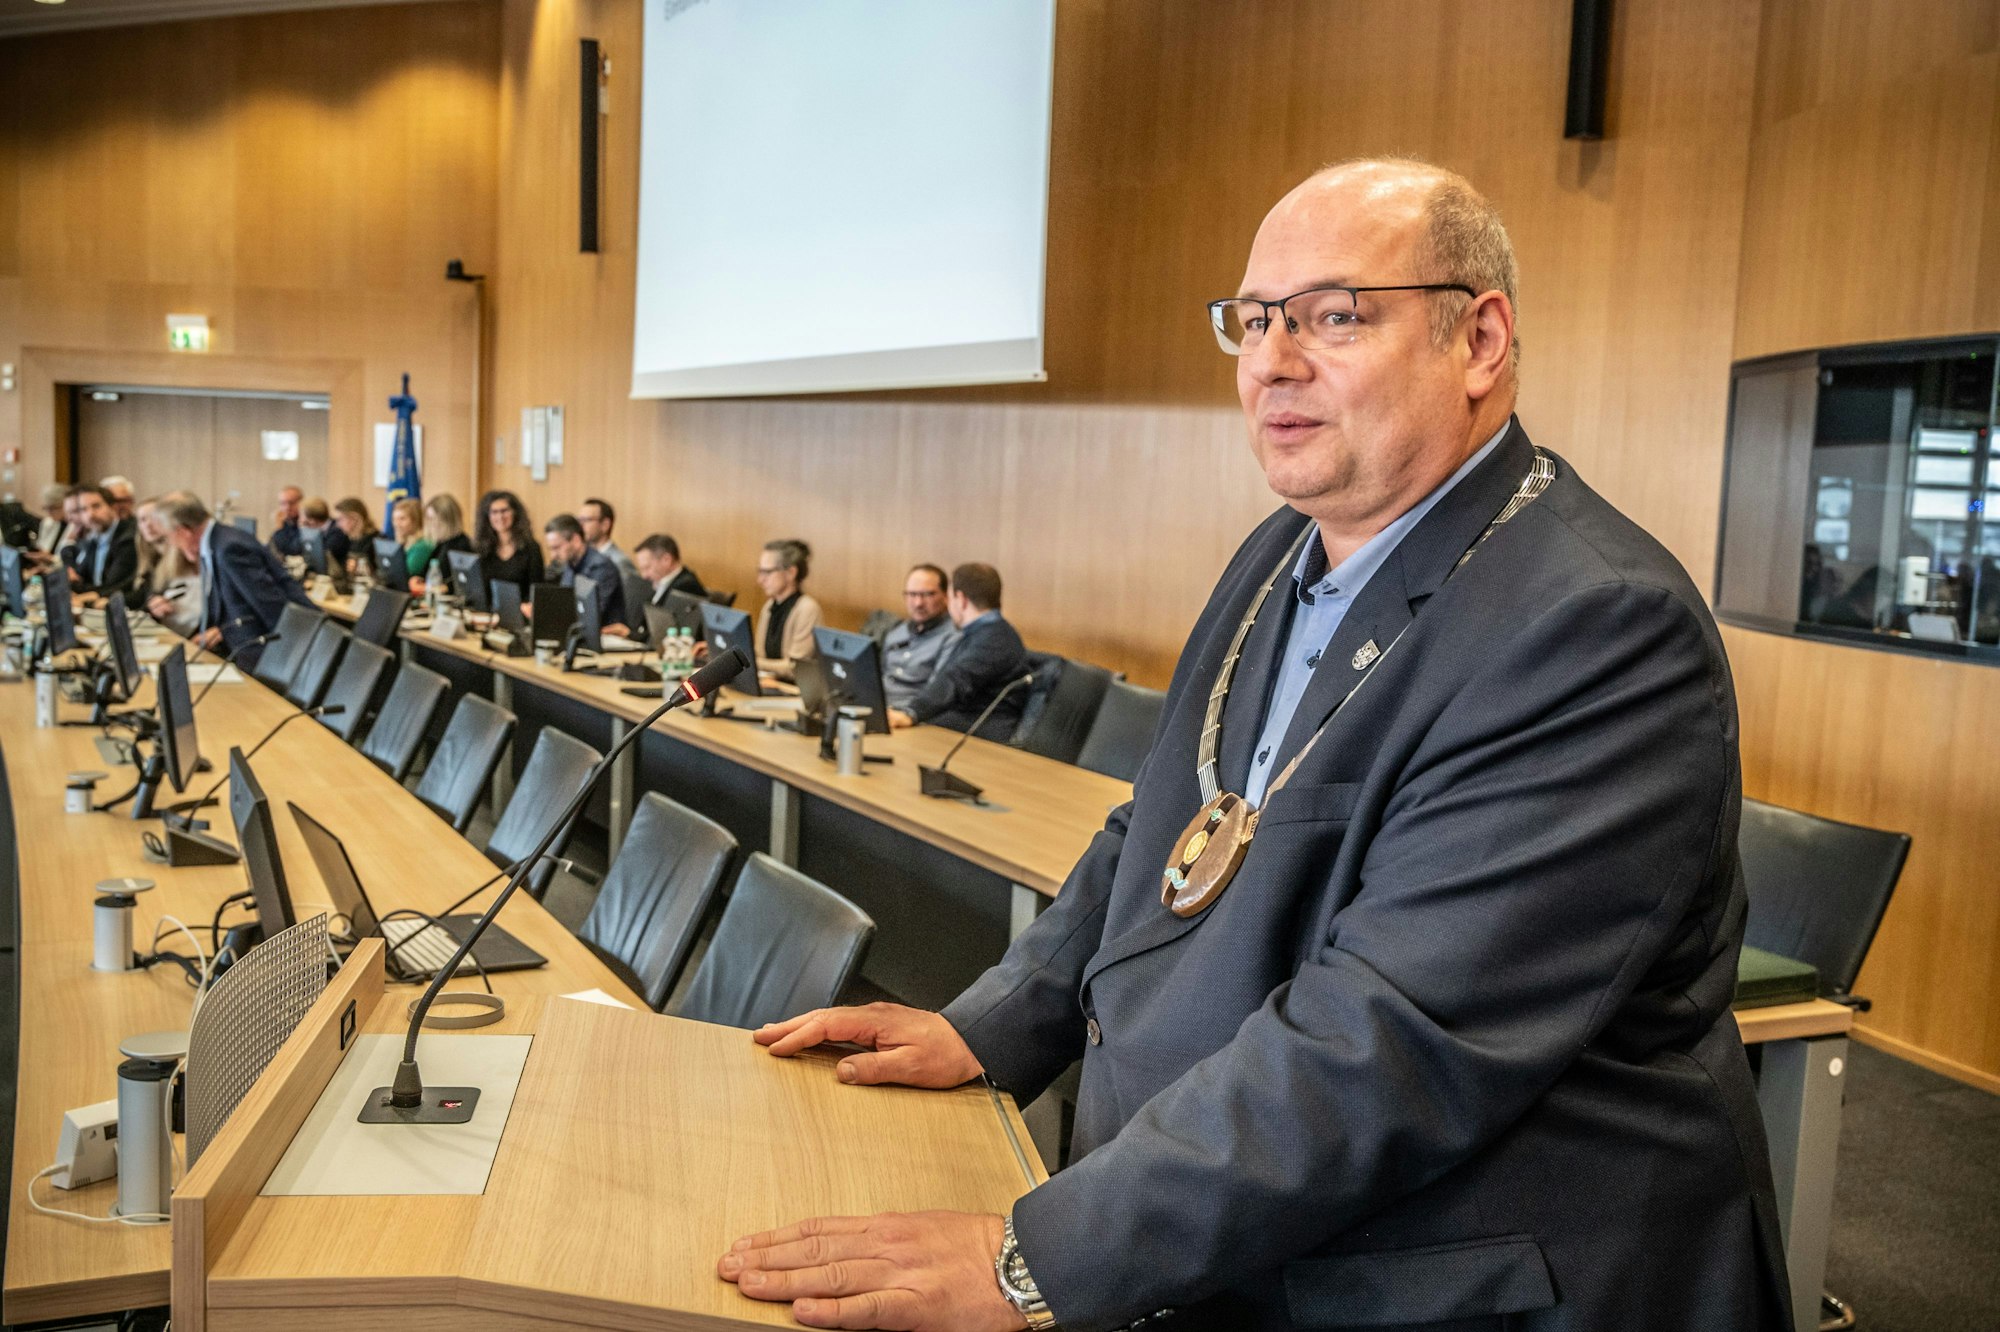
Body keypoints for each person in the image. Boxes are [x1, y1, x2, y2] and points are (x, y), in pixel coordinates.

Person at [725, 159, 1788, 1332]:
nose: (1271, 361)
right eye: (1252, 320)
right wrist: (987, 1025)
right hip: (1239, 1233)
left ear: (1478, 341)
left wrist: (1042, 1260)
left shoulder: (1594, 627)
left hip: (1448, 1283)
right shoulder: (1281, 550)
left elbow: (1391, 1041)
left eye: (1332, 317)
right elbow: (1158, 828)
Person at [154, 491, 310, 670]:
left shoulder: (229, 548)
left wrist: (297, 663)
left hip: (266, 658)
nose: (171, 544)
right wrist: (220, 630)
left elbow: (271, 607)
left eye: (167, 537)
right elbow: (237, 603)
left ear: (183, 532)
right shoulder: (217, 542)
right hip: (247, 651)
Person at [886, 563, 1026, 738]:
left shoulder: (994, 639)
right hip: (960, 726)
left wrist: (911, 713)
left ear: (961, 599)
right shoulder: (986, 632)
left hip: (980, 734)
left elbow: (956, 680)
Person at [881, 563, 960, 713]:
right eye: (912, 594)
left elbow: (936, 693)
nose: (918, 603)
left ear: (946, 596)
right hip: (879, 707)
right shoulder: (896, 631)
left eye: (928, 595)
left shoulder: (953, 637)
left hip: (912, 714)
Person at [545, 512, 628, 633]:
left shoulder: (601, 567)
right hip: (579, 632)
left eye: (557, 547)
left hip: (606, 636)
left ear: (576, 540)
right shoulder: (570, 565)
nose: (553, 555)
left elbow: (591, 614)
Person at [753, 538, 822, 677]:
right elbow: (759, 654)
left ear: (791, 573)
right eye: (760, 571)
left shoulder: (808, 609)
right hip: (771, 682)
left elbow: (795, 666)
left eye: (767, 572)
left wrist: (755, 663)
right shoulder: (769, 606)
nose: (760, 580)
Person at [59, 484, 140, 601]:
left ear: (112, 507)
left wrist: (81, 592)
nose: (90, 515)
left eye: (96, 506)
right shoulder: (93, 539)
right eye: (84, 509)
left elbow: (114, 587)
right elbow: (81, 578)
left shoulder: (127, 539)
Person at [133, 496, 200, 637]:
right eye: (142, 520)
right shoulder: (150, 556)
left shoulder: (185, 555)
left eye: (153, 518)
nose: (148, 525)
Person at [475, 489, 543, 600]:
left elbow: (536, 589)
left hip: (519, 609)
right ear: (487, 517)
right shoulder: (481, 548)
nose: (500, 517)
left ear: (515, 513)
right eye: (494, 512)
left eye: (504, 511)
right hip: (486, 609)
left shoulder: (531, 548)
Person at [633, 533, 706, 604]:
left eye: (647, 568)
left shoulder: (686, 587)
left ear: (666, 560)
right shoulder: (656, 583)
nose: (644, 576)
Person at [422, 494, 473, 592]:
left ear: (447, 520)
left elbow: (461, 583)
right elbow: (425, 573)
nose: (431, 525)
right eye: (428, 519)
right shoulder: (441, 544)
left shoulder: (461, 546)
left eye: (433, 519)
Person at [578, 497, 637, 578]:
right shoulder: (582, 559)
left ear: (605, 525)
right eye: (579, 520)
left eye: (586, 520)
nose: (580, 525)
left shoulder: (619, 562)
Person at [389, 498, 431, 591]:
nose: (396, 524)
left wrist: (399, 546)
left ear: (415, 520)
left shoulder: (423, 545)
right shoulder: (405, 540)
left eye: (402, 519)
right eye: (394, 519)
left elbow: (404, 572)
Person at [298, 496, 351, 569]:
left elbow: (322, 556)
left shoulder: (338, 531)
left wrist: (304, 529)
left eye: (301, 516)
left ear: (312, 520)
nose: (300, 519)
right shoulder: (317, 531)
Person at [332, 497, 379, 575]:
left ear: (354, 518)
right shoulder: (347, 540)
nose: (337, 525)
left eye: (340, 519)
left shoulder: (376, 541)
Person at [268, 484, 305, 559]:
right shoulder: (286, 522)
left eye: (291, 503)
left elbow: (293, 550)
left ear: (301, 503)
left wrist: (279, 528)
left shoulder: (305, 523)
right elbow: (271, 548)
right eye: (283, 503)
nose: (287, 507)